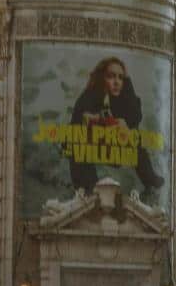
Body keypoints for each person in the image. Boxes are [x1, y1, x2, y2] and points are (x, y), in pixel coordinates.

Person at [69, 57, 164, 194]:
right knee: (77, 144)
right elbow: (75, 125)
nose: (116, 82)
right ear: (102, 77)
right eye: (111, 76)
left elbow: (136, 116)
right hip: (95, 144)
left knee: (135, 138)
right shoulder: (89, 95)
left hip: (118, 144)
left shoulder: (126, 89)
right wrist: (90, 120)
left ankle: (150, 181)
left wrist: (124, 123)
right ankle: (87, 190)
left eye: (120, 77)